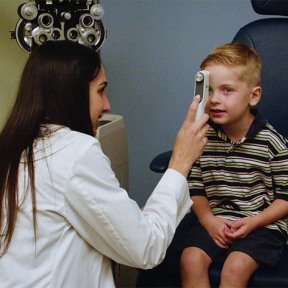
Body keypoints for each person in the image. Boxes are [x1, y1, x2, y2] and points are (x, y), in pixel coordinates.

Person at [0, 40, 209, 287]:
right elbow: (146, 249)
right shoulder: (75, 150)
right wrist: (180, 162)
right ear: (71, 93)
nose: (107, 105)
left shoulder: (14, 146)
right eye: (100, 90)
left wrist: (132, 216)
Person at [180, 43, 288, 288]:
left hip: (262, 223)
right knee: (190, 260)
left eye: (227, 90)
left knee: (235, 267)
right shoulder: (202, 138)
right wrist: (209, 221)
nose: (215, 100)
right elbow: (194, 188)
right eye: (210, 90)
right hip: (216, 219)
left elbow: (286, 197)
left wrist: (254, 222)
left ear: (254, 95)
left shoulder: (273, 142)